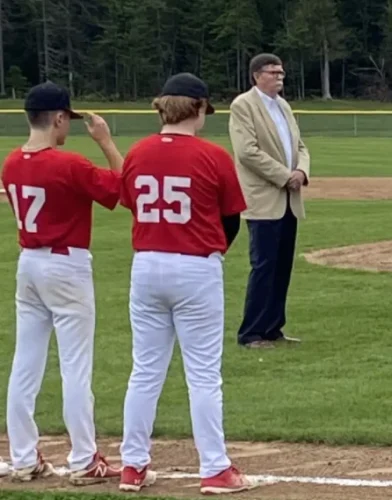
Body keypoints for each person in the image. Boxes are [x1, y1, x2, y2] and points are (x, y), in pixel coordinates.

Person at [117, 73, 254, 494]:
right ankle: (214, 468)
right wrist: (214, 250)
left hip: (147, 264)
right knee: (203, 375)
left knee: (145, 371)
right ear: (197, 108)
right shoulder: (212, 155)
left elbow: (133, 204)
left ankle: (132, 465)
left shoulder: (138, 152)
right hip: (195, 266)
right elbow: (231, 218)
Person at [2, 82, 123, 485]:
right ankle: (85, 458)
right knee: (74, 366)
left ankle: (22, 456)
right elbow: (121, 189)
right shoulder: (70, 164)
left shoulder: (11, 162)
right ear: (57, 117)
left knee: (26, 362)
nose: (66, 127)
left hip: (29, 264)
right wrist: (106, 142)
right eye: (65, 119)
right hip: (65, 266)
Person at [229, 52, 310, 348]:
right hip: (264, 199)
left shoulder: (284, 106)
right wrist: (283, 175)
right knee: (263, 265)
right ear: (257, 75)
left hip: (290, 198)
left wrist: (301, 170)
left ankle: (274, 328)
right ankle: (251, 332)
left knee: (282, 265)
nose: (279, 77)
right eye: (273, 73)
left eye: (281, 73)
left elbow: (300, 145)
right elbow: (247, 151)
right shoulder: (243, 106)